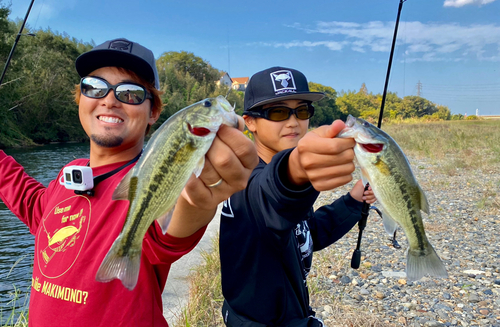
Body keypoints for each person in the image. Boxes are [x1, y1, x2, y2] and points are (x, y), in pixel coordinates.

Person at [0, 38, 257, 327]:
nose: (109, 100)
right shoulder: (68, 173)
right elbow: (36, 206)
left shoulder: (152, 181)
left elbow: (169, 233)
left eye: (131, 93)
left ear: (154, 112)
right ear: (80, 99)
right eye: (94, 87)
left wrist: (199, 202)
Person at [219, 66, 376, 326]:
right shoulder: (242, 180)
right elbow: (271, 196)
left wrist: (352, 202)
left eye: (302, 111)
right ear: (250, 122)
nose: (293, 122)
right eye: (278, 112)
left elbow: (304, 236)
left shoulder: (267, 173)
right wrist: (297, 169)